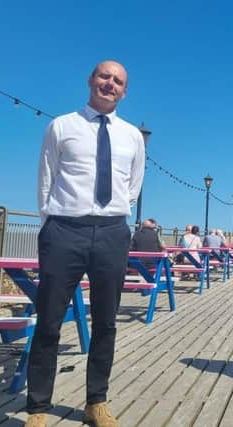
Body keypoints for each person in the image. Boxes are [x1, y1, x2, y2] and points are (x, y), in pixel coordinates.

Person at [31, 60, 145, 427]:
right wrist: (51, 224)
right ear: (91, 80)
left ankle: (96, 401)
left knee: (106, 322)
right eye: (104, 76)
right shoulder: (62, 126)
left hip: (112, 232)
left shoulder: (131, 136)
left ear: (124, 91)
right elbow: (46, 179)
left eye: (118, 81)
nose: (110, 84)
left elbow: (133, 187)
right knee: (49, 320)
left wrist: (112, 217)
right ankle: (37, 408)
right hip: (64, 230)